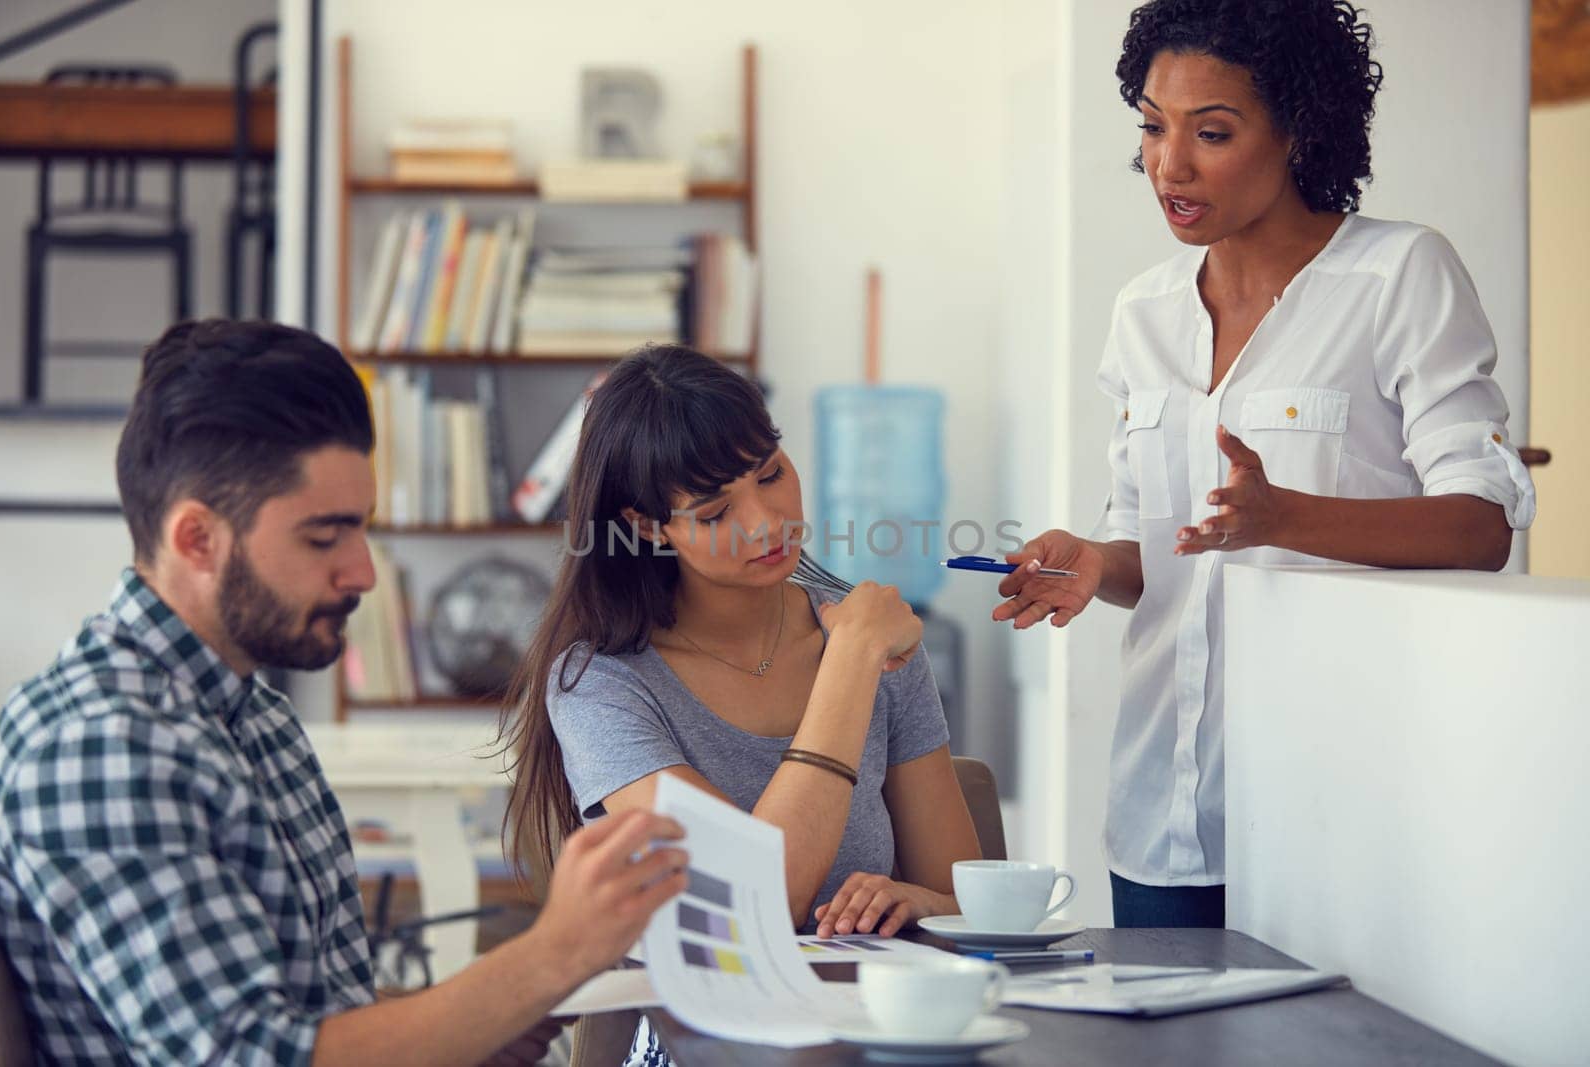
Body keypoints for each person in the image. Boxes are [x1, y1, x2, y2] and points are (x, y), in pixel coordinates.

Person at [0, 319, 688, 1066]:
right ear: (196, 538)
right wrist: (550, 952)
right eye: (323, 537)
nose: (363, 572)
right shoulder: (95, 744)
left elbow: (316, 1008)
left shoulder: (252, 715)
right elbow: (260, 1057)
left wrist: (481, 1019)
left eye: (361, 530)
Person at [993, 0, 1536, 929]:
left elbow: (1481, 525)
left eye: (1211, 131)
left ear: (1298, 130)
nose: (1169, 164)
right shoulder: (1142, 312)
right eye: (1153, 127)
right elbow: (1154, 545)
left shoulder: (1400, 276)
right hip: (1160, 809)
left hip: (1344, 814)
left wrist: (1284, 517)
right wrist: (1097, 560)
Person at [502, 345, 983, 1064]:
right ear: (645, 524)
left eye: (771, 473)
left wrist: (917, 900)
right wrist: (849, 664)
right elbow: (751, 907)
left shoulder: (873, 639)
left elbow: (965, 899)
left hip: (878, 1032)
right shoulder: (602, 682)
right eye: (717, 509)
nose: (766, 522)